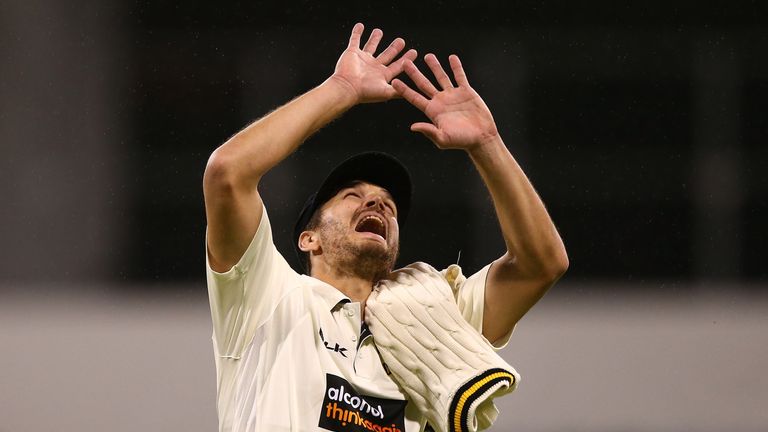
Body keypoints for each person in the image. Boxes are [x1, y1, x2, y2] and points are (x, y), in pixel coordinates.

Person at [203, 23, 568, 432]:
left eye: (389, 205)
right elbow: (227, 173)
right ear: (309, 238)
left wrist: (487, 144)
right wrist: (341, 88)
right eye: (352, 196)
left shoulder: (432, 316)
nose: (376, 202)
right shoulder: (267, 296)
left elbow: (540, 265)